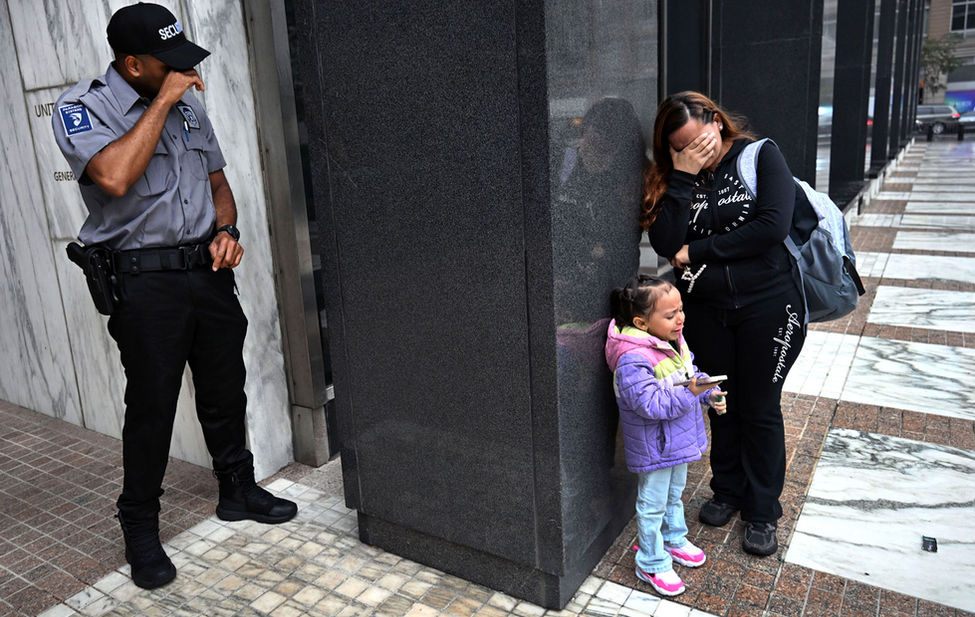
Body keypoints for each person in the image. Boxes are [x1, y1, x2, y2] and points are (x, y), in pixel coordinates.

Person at [52, 2, 297, 590]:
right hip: (143, 283)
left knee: (223, 385)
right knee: (153, 405)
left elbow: (218, 184)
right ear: (133, 64)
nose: (184, 74)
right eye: (169, 65)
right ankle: (139, 524)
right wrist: (162, 103)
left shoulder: (189, 105)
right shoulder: (83, 109)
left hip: (204, 274)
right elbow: (112, 176)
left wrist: (227, 231)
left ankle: (236, 488)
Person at [641, 91, 806, 556]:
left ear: (716, 120)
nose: (694, 151)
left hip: (769, 307)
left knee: (759, 407)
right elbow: (665, 240)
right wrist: (683, 178)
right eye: (680, 148)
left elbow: (772, 226)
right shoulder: (677, 177)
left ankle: (761, 510)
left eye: (698, 139)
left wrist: (700, 250)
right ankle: (728, 490)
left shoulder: (760, 156)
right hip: (708, 313)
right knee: (721, 402)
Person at [604, 275, 727, 597]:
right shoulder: (633, 358)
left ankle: (673, 538)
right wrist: (693, 391)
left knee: (674, 495)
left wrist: (707, 392)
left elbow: (689, 376)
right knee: (652, 504)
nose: (680, 319)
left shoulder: (672, 342)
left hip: (678, 440)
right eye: (670, 315)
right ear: (641, 322)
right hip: (656, 445)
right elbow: (650, 404)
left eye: (681, 310)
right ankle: (651, 561)